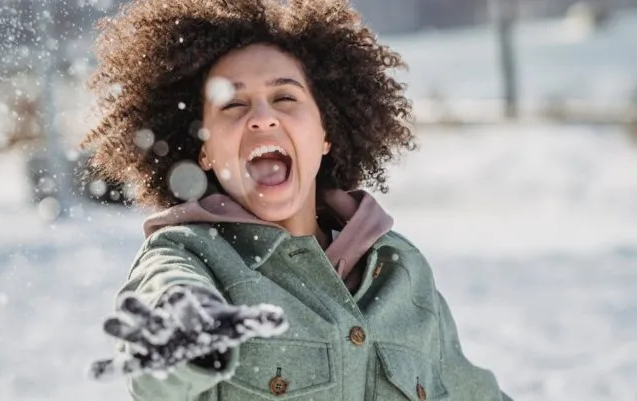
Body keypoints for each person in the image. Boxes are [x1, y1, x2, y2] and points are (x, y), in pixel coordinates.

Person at [83, 0, 512, 400]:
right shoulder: (188, 256)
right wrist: (183, 334)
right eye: (232, 104)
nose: (263, 117)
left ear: (325, 134)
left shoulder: (400, 269)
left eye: (285, 97)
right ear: (204, 151)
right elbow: (165, 309)